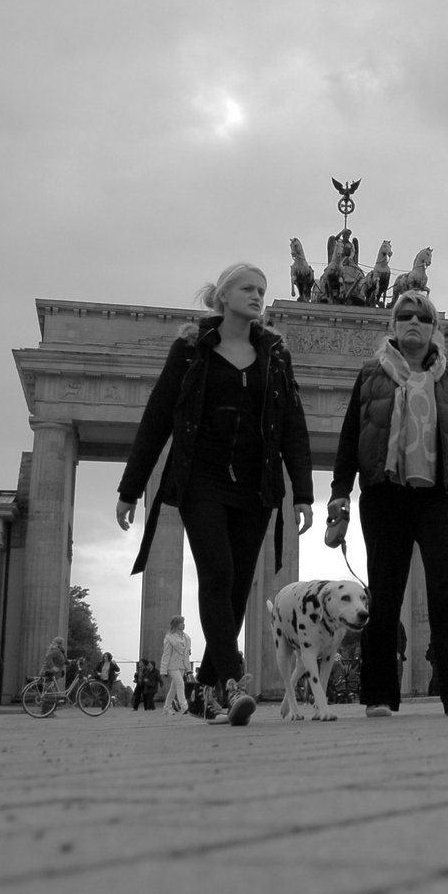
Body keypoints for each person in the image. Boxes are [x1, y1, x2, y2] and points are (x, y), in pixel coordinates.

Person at [117, 263, 314, 728]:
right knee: (218, 572)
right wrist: (130, 489)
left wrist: (303, 493)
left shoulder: (275, 354)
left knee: (237, 588)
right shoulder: (191, 350)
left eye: (262, 291)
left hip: (255, 484)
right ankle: (233, 682)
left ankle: (206, 687)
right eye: (248, 288)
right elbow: (157, 416)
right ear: (222, 296)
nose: (258, 296)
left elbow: (293, 426)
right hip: (201, 479)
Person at [328, 290, 448, 718]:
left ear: (434, 328)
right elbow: (349, 437)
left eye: (422, 317)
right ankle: (379, 693)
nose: (413, 322)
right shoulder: (371, 375)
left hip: (442, 495)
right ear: (393, 327)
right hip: (385, 493)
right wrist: (340, 492)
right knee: (384, 592)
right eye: (404, 316)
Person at [159, 615, 193, 715]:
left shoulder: (187, 638)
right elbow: (166, 654)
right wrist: (163, 670)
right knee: (180, 684)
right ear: (176, 624)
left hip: (182, 665)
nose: (183, 624)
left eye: (183, 622)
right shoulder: (169, 638)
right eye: (181, 623)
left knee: (174, 688)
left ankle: (166, 707)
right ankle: (184, 706)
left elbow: (186, 655)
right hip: (172, 665)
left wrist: (188, 668)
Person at [39, 636, 67, 716]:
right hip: (49, 673)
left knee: (51, 693)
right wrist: (53, 667)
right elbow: (48, 657)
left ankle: (47, 712)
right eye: (62, 643)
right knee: (50, 694)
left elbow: (61, 661)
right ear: (60, 644)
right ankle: (46, 712)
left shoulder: (59, 651)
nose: (63, 645)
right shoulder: (56, 650)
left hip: (53, 674)